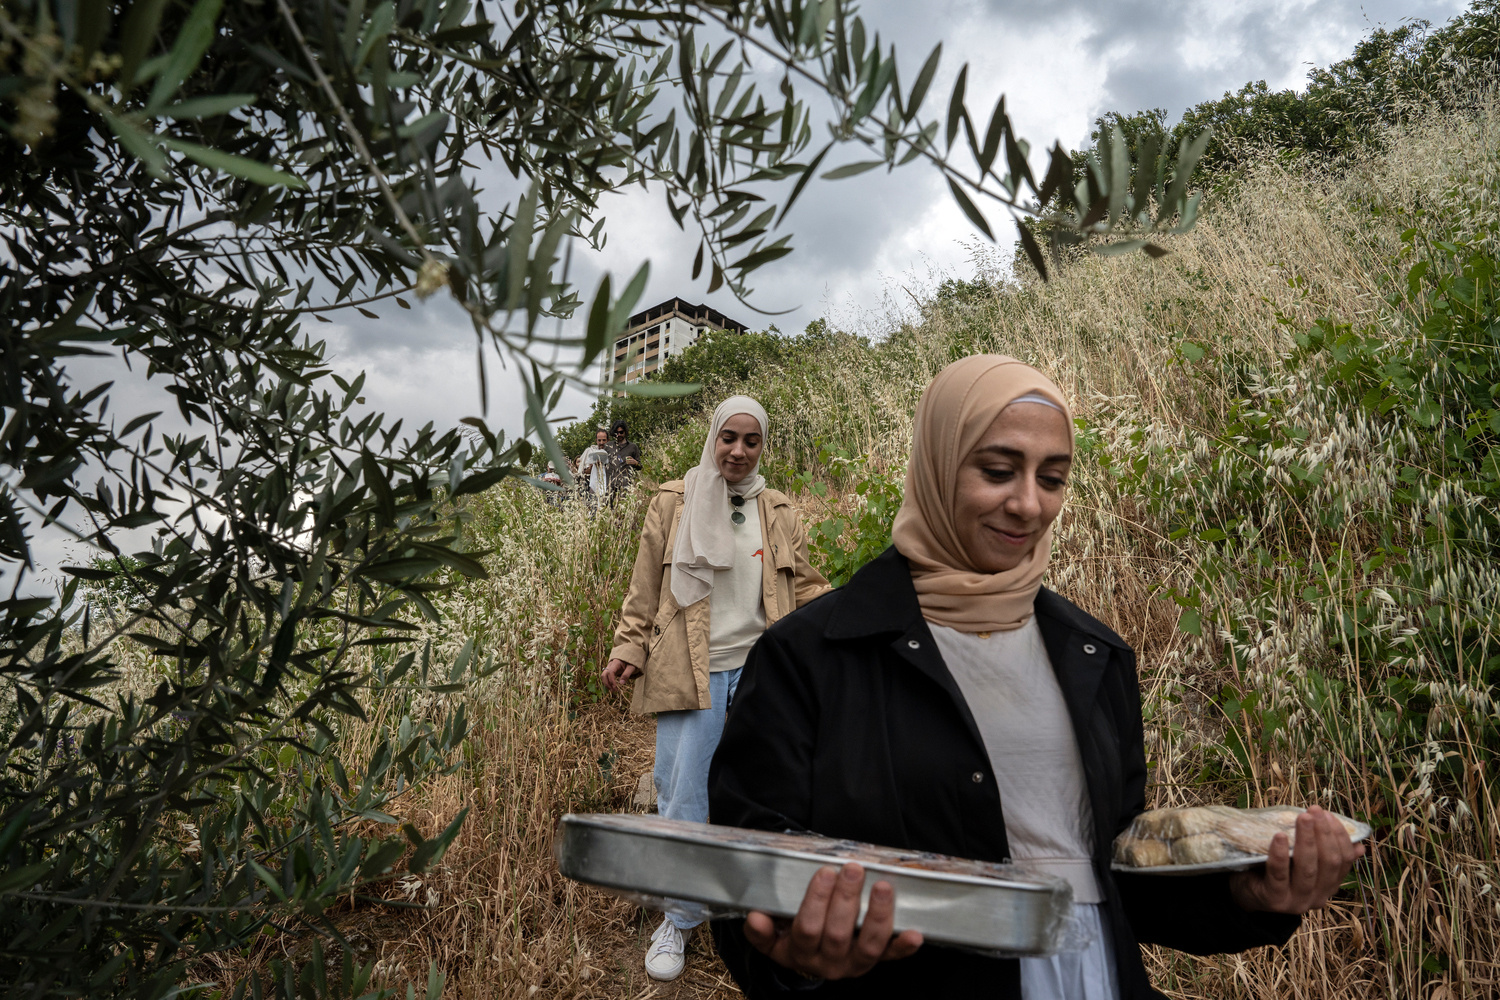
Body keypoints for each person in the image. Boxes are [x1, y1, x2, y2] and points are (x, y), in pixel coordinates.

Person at [708, 355, 1363, 998]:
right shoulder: (810, 657)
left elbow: (1115, 881)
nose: (1028, 504)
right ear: (936, 463)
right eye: (998, 471)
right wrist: (798, 960)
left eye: (1052, 479)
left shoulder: (1094, 656)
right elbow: (742, 889)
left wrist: (1250, 895)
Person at [602, 396, 830, 983]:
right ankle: (679, 916)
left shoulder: (777, 509)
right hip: (689, 664)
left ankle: (753, 909)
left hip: (763, 672)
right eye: (728, 437)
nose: (737, 450)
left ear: (762, 447)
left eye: (750, 441)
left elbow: (807, 589)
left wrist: (843, 637)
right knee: (684, 793)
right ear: (713, 437)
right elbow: (645, 583)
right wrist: (629, 645)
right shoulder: (673, 502)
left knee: (764, 790)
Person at [607, 419, 643, 498]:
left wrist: (635, 463)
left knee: (624, 507)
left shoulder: (633, 447)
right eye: (617, 432)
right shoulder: (608, 446)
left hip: (625, 485)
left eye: (621, 432)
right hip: (610, 485)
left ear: (625, 432)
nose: (619, 434)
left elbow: (640, 466)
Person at [578, 428, 611, 501]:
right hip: (593, 486)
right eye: (599, 440)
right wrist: (592, 466)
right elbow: (583, 472)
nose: (601, 442)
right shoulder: (590, 452)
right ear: (596, 440)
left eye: (604, 440)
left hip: (609, 486)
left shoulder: (612, 453)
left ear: (608, 440)